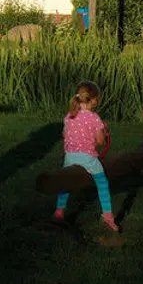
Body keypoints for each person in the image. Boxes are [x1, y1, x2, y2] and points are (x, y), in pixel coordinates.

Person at [52, 81, 119, 234]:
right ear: (93, 99)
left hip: (69, 157)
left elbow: (65, 135)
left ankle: (59, 211)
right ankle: (108, 215)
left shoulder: (69, 116)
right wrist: (105, 131)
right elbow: (101, 142)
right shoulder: (95, 118)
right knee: (102, 183)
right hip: (88, 158)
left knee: (65, 183)